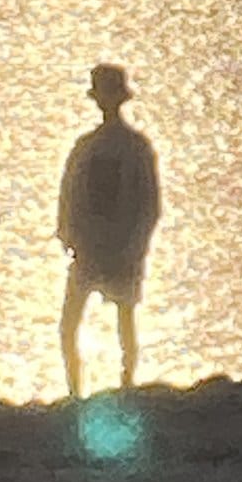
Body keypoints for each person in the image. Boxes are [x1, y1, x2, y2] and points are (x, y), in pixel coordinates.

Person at [56, 64, 160, 397]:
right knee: (71, 324)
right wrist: (67, 234)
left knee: (123, 318)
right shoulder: (88, 146)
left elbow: (149, 202)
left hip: (121, 248)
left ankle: (126, 383)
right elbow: (68, 194)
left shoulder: (134, 147)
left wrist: (136, 244)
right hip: (89, 248)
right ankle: (76, 390)